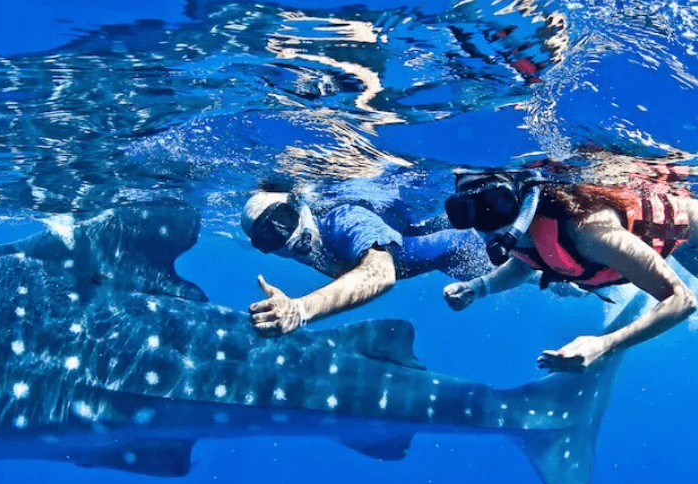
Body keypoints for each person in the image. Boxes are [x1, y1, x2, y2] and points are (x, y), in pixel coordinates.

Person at [442, 168, 698, 373]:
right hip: (675, 245)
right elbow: (525, 263)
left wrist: (604, 345)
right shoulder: (523, 230)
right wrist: (480, 287)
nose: (489, 225)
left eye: (498, 202)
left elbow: (682, 299)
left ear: (521, 195)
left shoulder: (589, 230)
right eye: (464, 211)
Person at [240, 191, 492, 336]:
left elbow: (381, 274)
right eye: (268, 237)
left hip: (479, 244)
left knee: (528, 270)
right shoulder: (306, 250)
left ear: (298, 206)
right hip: (448, 262)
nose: (286, 237)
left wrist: (300, 310)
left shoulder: (343, 219)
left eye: (282, 220)